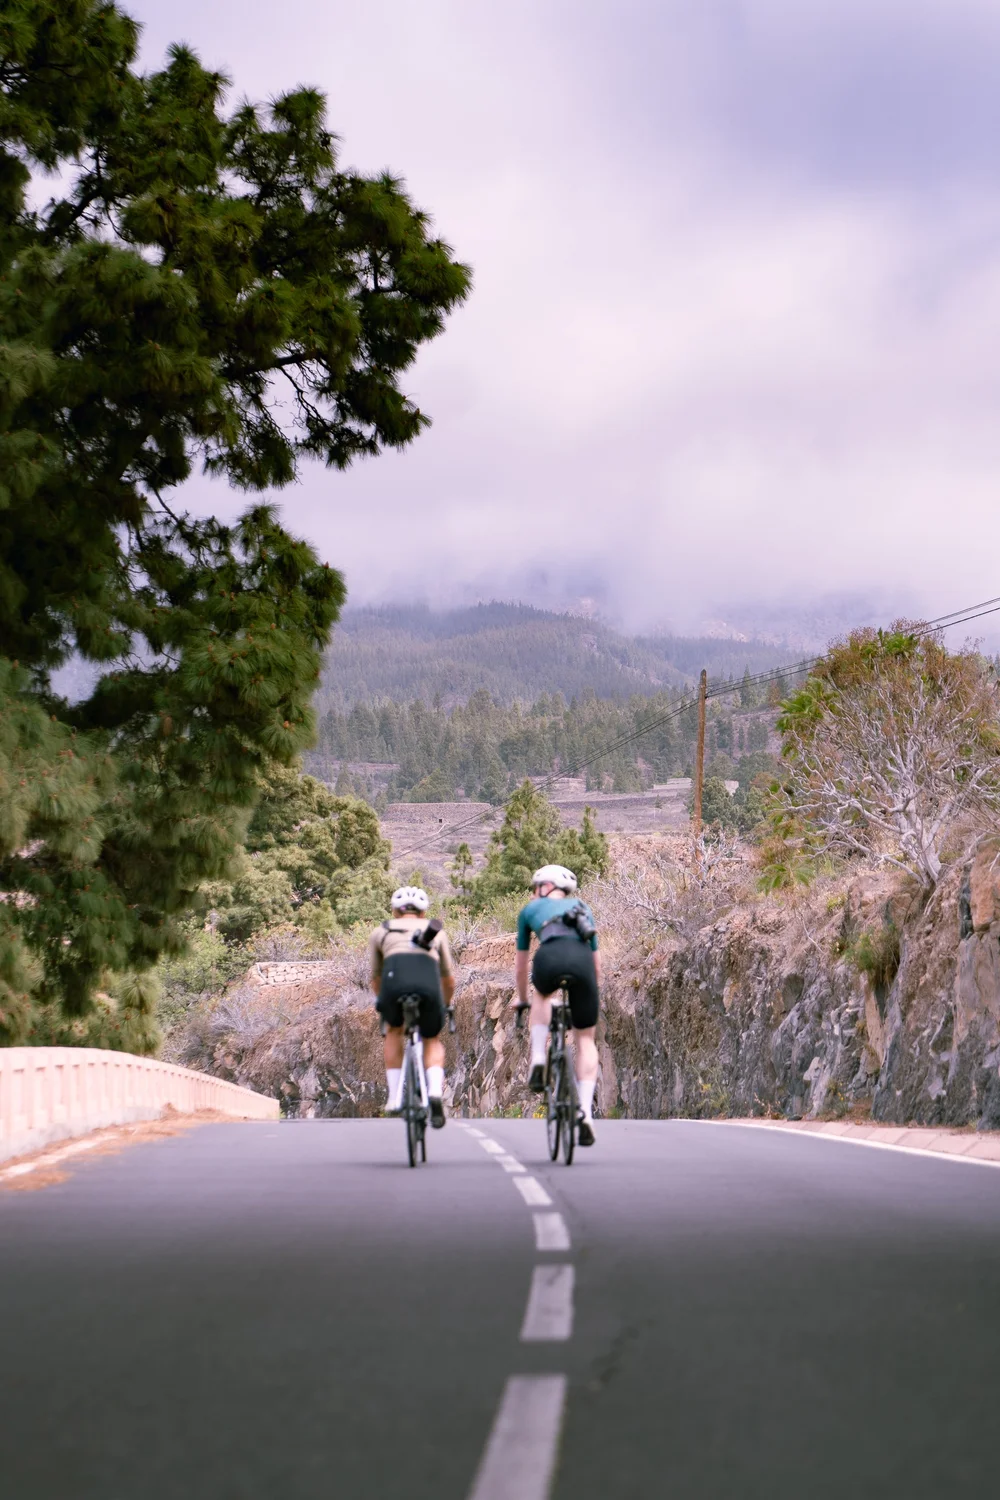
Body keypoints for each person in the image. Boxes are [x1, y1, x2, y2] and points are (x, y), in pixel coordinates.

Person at [514, 863, 601, 1147]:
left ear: (544, 887)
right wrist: (588, 989)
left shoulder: (530, 910)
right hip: (583, 964)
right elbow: (596, 963)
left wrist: (524, 998)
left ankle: (539, 1057)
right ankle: (585, 1114)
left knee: (542, 997)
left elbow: (521, 963)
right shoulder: (582, 907)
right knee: (586, 1039)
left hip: (549, 958)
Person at [369, 886, 456, 1129]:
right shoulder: (437, 934)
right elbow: (448, 979)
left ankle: (394, 1098)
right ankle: (435, 1093)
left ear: (395, 910)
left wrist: (382, 1002)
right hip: (428, 986)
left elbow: (376, 977)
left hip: (393, 985)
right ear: (423, 911)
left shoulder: (381, 931)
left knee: (394, 1031)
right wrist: (446, 1005)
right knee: (432, 1039)